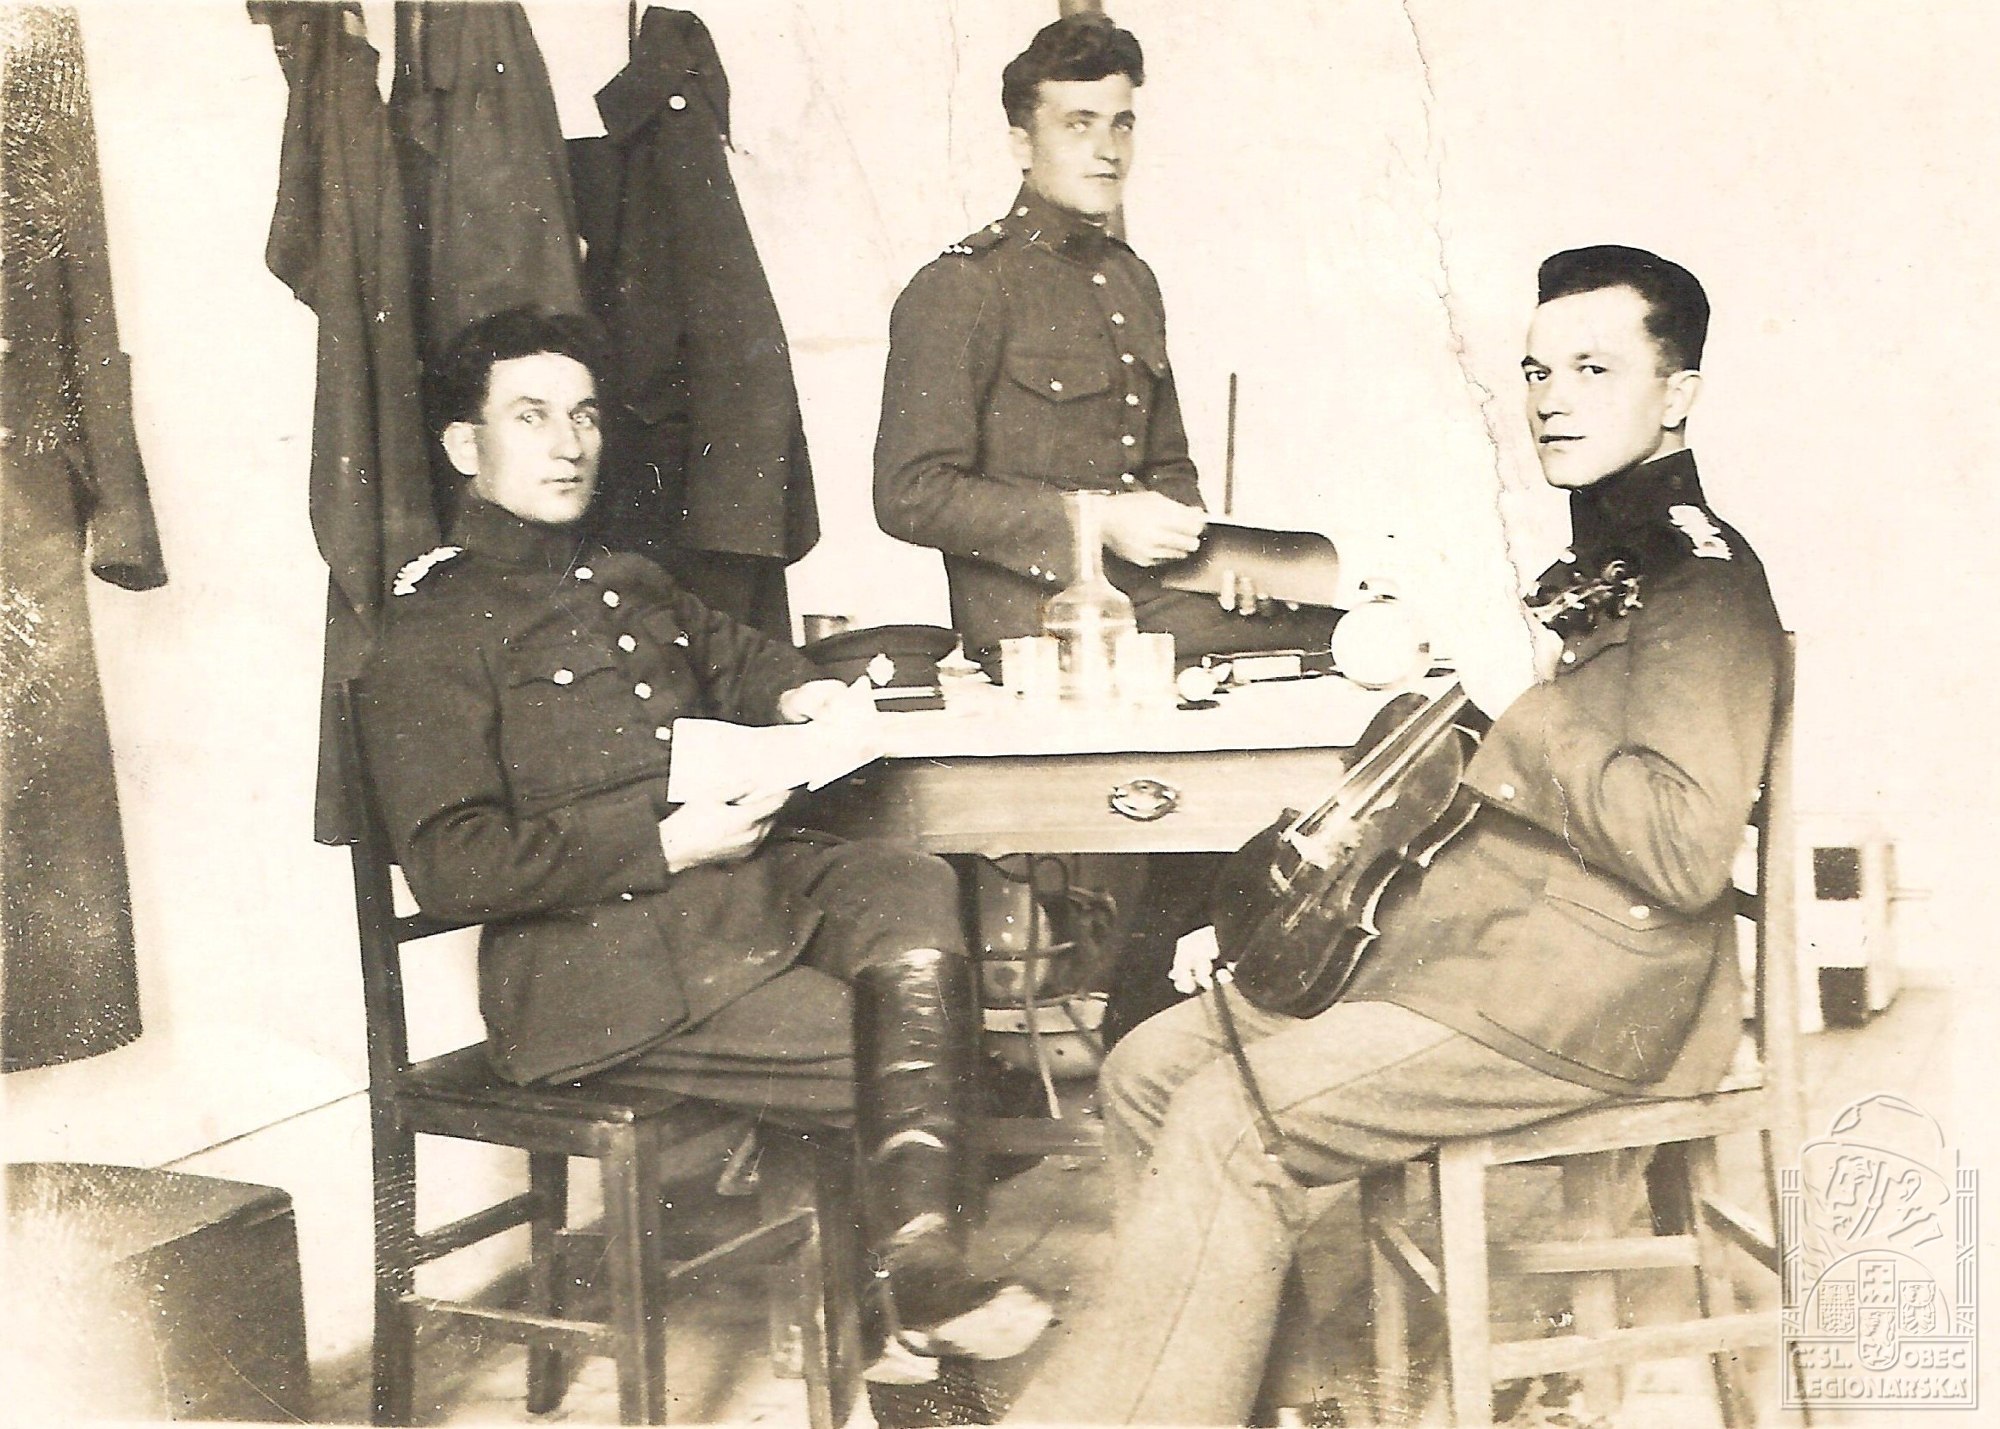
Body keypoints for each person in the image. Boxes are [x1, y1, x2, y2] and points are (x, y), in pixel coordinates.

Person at [1002, 246, 1786, 1424]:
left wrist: (1516, 694)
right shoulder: (1598, 562)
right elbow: (1476, 782)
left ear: (1677, 394)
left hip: (1592, 992)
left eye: (1592, 368)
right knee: (1147, 1071)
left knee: (1230, 1120)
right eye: (1536, 371)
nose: (1550, 398)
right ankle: (1284, 1402)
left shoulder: (1698, 582)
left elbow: (1678, 849)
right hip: (1484, 953)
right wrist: (1291, 904)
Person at [357, 308, 1051, 1387]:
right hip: (592, 973)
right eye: (531, 417)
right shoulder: (431, 628)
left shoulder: (625, 575)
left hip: (731, 905)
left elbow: (737, 656)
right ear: (464, 446)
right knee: (885, 1050)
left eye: (585, 415)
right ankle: (898, 1330)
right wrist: (664, 844)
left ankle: (911, 1278)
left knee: (907, 879)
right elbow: (453, 864)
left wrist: (801, 692)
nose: (570, 443)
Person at [872, 13, 1340, 1043]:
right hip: (1034, 628)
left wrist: (1213, 557)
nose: (1106, 148)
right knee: (1336, 662)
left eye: (1121, 123)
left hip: (1156, 608)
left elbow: (1167, 470)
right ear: (1020, 140)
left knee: (1335, 641)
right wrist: (1096, 522)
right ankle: (1159, 1016)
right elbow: (908, 493)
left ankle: (1164, 1009)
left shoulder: (1130, 279)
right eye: (1077, 123)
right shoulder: (959, 289)